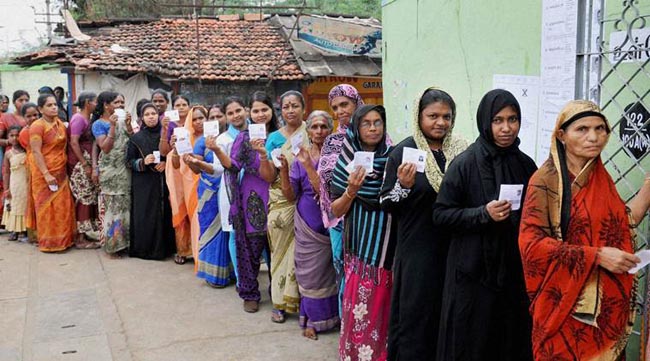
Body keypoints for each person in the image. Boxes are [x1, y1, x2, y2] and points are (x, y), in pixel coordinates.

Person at [519, 100, 650, 360]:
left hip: (605, 314)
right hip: (563, 309)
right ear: (562, 136)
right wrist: (597, 256)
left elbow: (622, 224)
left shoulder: (602, 179)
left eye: (600, 128)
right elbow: (531, 245)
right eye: (582, 129)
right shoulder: (546, 181)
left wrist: (647, 191)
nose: (594, 137)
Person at [432, 89, 537, 360]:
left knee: (510, 340)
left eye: (512, 120)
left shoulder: (525, 165)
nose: (506, 128)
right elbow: (441, 215)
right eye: (498, 120)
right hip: (473, 274)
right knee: (473, 343)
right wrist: (482, 213)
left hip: (513, 273)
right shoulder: (465, 164)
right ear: (485, 122)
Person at [379, 88, 468, 361]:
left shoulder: (463, 152)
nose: (440, 122)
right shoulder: (403, 152)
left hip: (454, 250)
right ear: (419, 116)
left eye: (446, 116)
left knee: (448, 315)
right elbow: (386, 202)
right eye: (433, 116)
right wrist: (403, 187)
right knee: (416, 318)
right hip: (418, 250)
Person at [330, 104, 396, 361]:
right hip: (362, 253)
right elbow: (336, 210)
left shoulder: (394, 158)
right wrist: (352, 190)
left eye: (377, 122)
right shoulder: (345, 163)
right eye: (366, 123)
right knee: (360, 311)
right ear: (356, 129)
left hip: (391, 250)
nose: (372, 128)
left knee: (387, 313)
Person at [280, 110, 339, 340]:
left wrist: (309, 167)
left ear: (330, 130)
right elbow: (290, 195)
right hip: (307, 224)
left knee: (332, 272)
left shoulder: (337, 158)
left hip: (332, 222)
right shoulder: (300, 158)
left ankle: (334, 316)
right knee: (309, 275)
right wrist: (284, 170)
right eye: (314, 127)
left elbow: (329, 193)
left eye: (323, 126)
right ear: (308, 131)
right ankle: (312, 320)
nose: (319, 131)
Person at [257, 90, 309, 323]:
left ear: (303, 108)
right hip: (280, 200)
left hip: (308, 199)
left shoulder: (312, 131)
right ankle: (279, 302)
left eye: (295, 106)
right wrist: (262, 157)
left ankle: (304, 305)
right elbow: (269, 177)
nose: (290, 110)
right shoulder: (274, 138)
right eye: (286, 106)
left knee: (305, 255)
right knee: (279, 253)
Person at [222, 95, 275, 313]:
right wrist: (216, 151)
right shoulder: (244, 138)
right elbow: (233, 166)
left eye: (265, 109)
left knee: (278, 249)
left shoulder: (279, 136)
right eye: (256, 111)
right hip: (253, 198)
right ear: (249, 114)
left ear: (272, 110)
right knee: (250, 248)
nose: (260, 114)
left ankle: (280, 292)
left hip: (281, 197)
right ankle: (250, 292)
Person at [318, 84, 364, 312]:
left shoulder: (376, 135)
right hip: (340, 218)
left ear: (356, 103)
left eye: (344, 104)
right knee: (343, 271)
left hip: (369, 217)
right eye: (335, 107)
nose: (340, 111)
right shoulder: (332, 141)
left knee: (366, 272)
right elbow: (325, 181)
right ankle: (346, 326)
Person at [183, 105, 235, 287]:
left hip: (230, 189)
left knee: (231, 232)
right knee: (210, 231)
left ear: (225, 118)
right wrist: (190, 161)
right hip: (208, 191)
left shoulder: (231, 138)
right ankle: (214, 275)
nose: (215, 120)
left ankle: (233, 272)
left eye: (218, 116)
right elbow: (196, 169)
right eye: (211, 116)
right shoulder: (201, 142)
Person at [205, 99, 246, 285]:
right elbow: (217, 169)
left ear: (245, 110)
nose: (236, 115)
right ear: (226, 118)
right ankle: (241, 279)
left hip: (256, 189)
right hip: (231, 190)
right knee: (234, 233)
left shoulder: (257, 134)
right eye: (231, 113)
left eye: (238, 110)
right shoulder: (222, 140)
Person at [127, 103, 175, 260]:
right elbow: (129, 162)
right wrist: (143, 161)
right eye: (147, 114)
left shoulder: (167, 134)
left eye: (153, 113)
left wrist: (165, 162)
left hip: (164, 180)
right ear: (142, 118)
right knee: (145, 213)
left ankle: (166, 248)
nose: (151, 117)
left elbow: (173, 153)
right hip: (144, 183)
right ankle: (145, 250)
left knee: (164, 212)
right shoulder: (136, 138)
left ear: (159, 115)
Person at [29, 94, 75, 252]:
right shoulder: (37, 126)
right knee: (47, 208)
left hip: (61, 171)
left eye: (55, 104)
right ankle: (49, 243)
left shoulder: (60, 123)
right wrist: (47, 174)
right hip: (44, 173)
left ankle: (65, 240)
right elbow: (36, 152)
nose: (54, 107)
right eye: (49, 105)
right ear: (40, 109)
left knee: (62, 206)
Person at [91, 91, 132, 258]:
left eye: (122, 103)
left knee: (125, 207)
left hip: (125, 169)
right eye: (116, 103)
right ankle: (113, 246)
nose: (120, 106)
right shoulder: (99, 124)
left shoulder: (125, 121)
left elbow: (134, 141)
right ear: (106, 105)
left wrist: (128, 125)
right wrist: (113, 126)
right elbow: (105, 147)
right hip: (110, 172)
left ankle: (126, 243)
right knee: (112, 209)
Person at [167, 101, 201, 266]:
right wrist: (175, 149)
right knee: (193, 220)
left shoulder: (216, 138)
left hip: (212, 185)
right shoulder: (186, 137)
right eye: (194, 119)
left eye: (202, 118)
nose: (198, 122)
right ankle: (196, 254)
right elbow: (175, 164)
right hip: (190, 185)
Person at [67, 92, 101, 249]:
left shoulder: (88, 118)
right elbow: (74, 142)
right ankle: (80, 238)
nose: (97, 104)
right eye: (95, 102)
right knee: (83, 197)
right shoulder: (78, 119)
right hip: (79, 165)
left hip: (86, 161)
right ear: (88, 102)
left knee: (89, 196)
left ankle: (87, 233)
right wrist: (85, 164)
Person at [2, 126, 28, 241]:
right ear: (8, 137)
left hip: (25, 183)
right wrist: (6, 188)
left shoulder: (27, 151)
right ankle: (14, 229)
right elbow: (6, 172)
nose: (15, 138)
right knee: (14, 205)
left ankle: (24, 230)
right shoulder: (8, 154)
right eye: (11, 136)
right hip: (15, 184)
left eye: (17, 135)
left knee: (24, 204)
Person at [18, 103, 39, 243]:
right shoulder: (25, 133)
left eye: (35, 115)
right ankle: (35, 233)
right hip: (33, 166)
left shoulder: (42, 127)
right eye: (29, 116)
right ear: (23, 118)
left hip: (45, 164)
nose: (32, 118)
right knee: (35, 198)